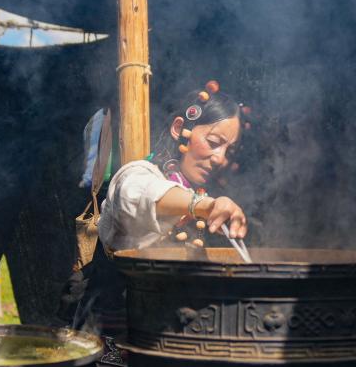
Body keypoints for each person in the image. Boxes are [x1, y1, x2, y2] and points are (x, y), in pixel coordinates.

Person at [98, 81, 250, 253]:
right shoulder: (141, 173)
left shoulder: (208, 194)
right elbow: (133, 194)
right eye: (213, 142)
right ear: (179, 129)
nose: (220, 158)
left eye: (230, 152)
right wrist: (205, 205)